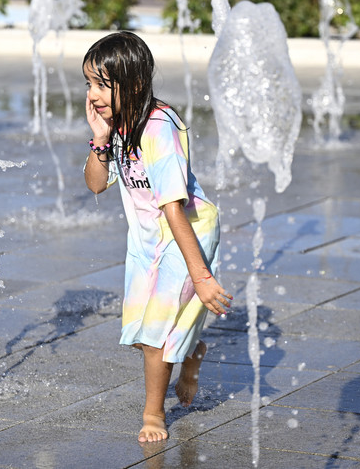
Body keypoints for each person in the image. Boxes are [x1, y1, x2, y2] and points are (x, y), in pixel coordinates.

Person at [82, 31, 232, 443]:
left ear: (130, 85)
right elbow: (96, 185)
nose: (92, 94)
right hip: (148, 235)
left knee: (155, 336)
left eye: (101, 84)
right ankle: (191, 352)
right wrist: (98, 140)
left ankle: (153, 414)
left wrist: (200, 276)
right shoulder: (114, 126)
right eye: (89, 84)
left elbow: (173, 207)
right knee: (139, 331)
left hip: (187, 228)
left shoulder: (158, 128)